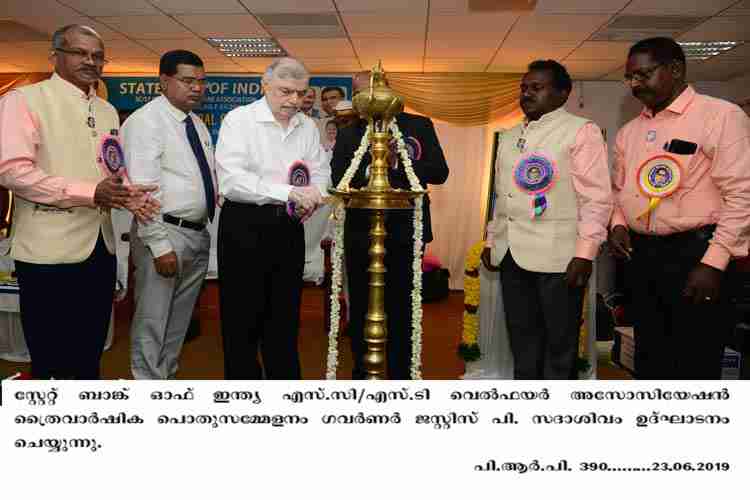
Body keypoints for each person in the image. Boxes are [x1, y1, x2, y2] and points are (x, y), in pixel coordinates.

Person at [0, 24, 158, 379]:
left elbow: (106, 168)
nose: (91, 61)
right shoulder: (23, 100)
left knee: (89, 356)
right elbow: (11, 171)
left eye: (98, 55)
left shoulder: (104, 109)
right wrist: (91, 193)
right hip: (48, 253)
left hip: (99, 249)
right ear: (55, 55)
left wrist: (127, 193)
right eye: (80, 52)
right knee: (52, 360)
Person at [608, 37, 750, 379]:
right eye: (630, 78)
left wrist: (713, 263)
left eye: (644, 74)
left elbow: (743, 195)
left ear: (675, 69)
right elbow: (618, 190)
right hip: (641, 258)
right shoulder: (630, 132)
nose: (635, 85)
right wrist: (617, 224)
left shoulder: (720, 115)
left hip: (697, 255)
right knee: (649, 359)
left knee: (694, 362)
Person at [482, 60, 613, 380]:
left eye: (536, 88)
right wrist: (491, 239)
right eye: (524, 88)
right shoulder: (510, 136)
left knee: (559, 348)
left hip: (560, 258)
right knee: (522, 343)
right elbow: (503, 195)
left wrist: (585, 253)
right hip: (511, 253)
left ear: (563, 93)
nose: (526, 94)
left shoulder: (581, 131)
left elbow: (596, 197)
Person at [215, 57, 328, 379]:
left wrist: (315, 195)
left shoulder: (305, 125)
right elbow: (231, 181)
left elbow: (321, 171)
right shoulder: (239, 120)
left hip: (289, 226)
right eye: (285, 92)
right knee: (241, 317)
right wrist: (288, 192)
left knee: (284, 314)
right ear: (264, 86)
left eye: (301, 93)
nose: (294, 101)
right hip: (245, 225)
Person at [331, 71, 449, 379]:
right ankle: (361, 372)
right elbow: (340, 180)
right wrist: (374, 171)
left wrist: (395, 167)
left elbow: (438, 172)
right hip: (360, 230)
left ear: (387, 92)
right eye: (359, 93)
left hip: (406, 229)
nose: (367, 98)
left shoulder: (417, 126)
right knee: (360, 302)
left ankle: (401, 374)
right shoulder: (349, 132)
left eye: (373, 90)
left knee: (402, 304)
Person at [121, 50, 216, 379]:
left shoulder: (195, 125)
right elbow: (142, 190)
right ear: (163, 81)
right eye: (188, 80)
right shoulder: (146, 122)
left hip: (196, 233)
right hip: (164, 233)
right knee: (153, 319)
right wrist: (158, 244)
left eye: (201, 82)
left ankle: (166, 383)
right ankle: (148, 387)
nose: (197, 88)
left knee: (178, 321)